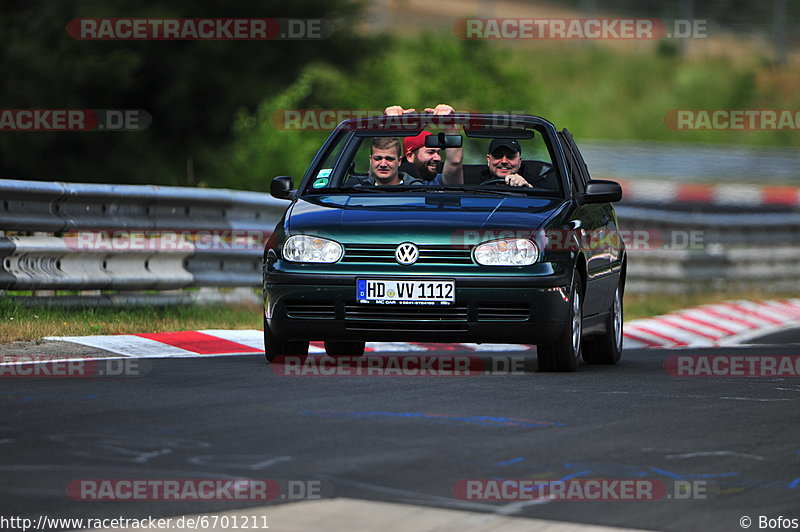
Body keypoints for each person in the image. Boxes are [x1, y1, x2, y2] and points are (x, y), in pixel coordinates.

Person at [384, 104, 463, 184]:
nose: (438, 158)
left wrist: (449, 125)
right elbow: (381, 154)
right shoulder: (392, 181)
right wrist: (389, 121)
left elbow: (455, 162)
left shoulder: (438, 182)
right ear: (410, 156)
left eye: (438, 153)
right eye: (430, 152)